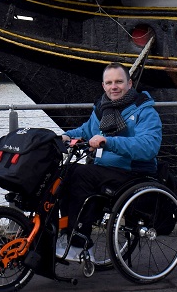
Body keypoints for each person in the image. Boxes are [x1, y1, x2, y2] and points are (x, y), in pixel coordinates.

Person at [57, 62, 162, 260]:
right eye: (109, 82)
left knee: (79, 175)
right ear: (103, 86)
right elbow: (86, 131)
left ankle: (79, 244)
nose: (114, 86)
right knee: (65, 174)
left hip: (134, 174)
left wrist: (109, 142)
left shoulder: (144, 111)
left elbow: (148, 147)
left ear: (129, 84)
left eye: (119, 82)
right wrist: (63, 137)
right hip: (104, 170)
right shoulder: (102, 108)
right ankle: (65, 232)